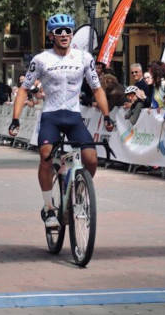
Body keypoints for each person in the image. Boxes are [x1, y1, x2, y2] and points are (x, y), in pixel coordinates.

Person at [7, 13, 111, 230]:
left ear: (72, 34)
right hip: (51, 116)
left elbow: (97, 88)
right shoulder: (41, 60)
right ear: (51, 35)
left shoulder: (84, 58)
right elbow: (24, 89)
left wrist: (107, 114)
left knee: (91, 158)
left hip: (73, 116)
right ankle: (48, 208)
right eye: (58, 31)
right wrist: (15, 119)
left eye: (68, 31)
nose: (64, 35)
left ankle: (79, 191)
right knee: (46, 155)